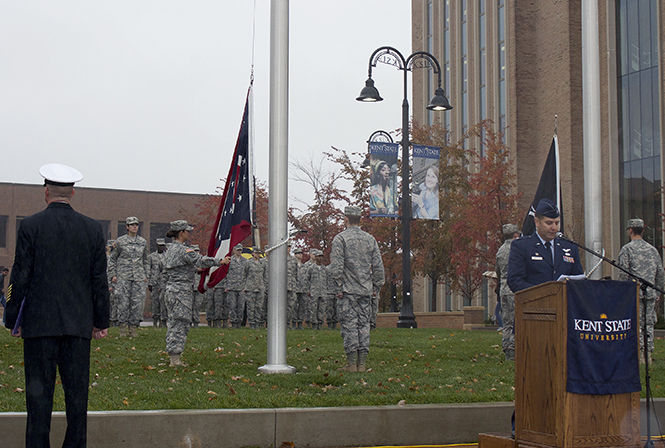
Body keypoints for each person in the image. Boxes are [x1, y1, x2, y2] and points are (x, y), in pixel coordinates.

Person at [4, 163, 109, 447]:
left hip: (39, 325)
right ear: (73, 193)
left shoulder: (30, 226)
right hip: (77, 325)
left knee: (38, 397)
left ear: (45, 192)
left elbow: (20, 275)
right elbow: (99, 278)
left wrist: (12, 318)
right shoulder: (92, 229)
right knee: (78, 397)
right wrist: (101, 321)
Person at [163, 220, 229, 366]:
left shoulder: (170, 249)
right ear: (181, 233)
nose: (189, 233)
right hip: (181, 291)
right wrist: (220, 261)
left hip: (171, 289)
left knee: (174, 322)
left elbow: (177, 269)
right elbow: (201, 260)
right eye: (188, 231)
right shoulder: (183, 250)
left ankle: (173, 355)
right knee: (181, 323)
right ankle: (175, 358)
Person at [330, 206, 385, 372]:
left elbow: (337, 267)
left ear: (346, 219)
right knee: (364, 326)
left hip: (347, 291)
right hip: (366, 291)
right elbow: (378, 267)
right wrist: (376, 286)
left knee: (349, 327)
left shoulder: (340, 239)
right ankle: (362, 364)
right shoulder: (370, 239)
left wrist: (338, 286)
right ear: (359, 220)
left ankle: (351, 364)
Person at [507, 198, 583, 293]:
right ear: (537, 222)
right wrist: (544, 293)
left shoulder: (569, 247)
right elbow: (515, 281)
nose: (554, 228)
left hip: (565, 305)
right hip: (534, 304)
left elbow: (578, 280)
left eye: (557, 223)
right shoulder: (522, 246)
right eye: (549, 223)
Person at [617, 218, 665, 364]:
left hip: (634, 293)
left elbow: (623, 273)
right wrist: (658, 291)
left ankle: (639, 355)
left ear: (630, 230)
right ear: (642, 230)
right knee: (649, 323)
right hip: (650, 293)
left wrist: (622, 293)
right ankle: (648, 354)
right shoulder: (652, 250)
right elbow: (660, 273)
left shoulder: (627, 249)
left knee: (636, 323)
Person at [108, 216, 149, 337]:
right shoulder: (120, 242)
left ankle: (133, 328)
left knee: (137, 303)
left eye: (136, 224)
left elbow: (146, 260)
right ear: (127, 227)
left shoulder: (142, 242)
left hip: (138, 277)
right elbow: (112, 259)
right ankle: (122, 329)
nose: (134, 226)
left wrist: (146, 275)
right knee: (123, 302)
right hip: (123, 277)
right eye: (131, 225)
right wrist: (113, 275)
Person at [495, 223, 520, 361]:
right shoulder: (517, 249)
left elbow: (497, 271)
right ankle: (512, 349)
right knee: (516, 321)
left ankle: (506, 347)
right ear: (515, 234)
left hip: (503, 289)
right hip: (514, 288)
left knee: (506, 321)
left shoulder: (500, 250)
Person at [225, 243, 248, 328]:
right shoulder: (230, 260)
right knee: (232, 306)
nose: (239, 252)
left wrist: (245, 286)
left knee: (241, 306)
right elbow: (225, 274)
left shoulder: (245, 261)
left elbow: (247, 274)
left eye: (240, 250)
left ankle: (239, 322)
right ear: (234, 250)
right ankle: (233, 323)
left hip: (241, 287)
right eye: (238, 250)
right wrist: (226, 286)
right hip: (231, 287)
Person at [244, 248, 266, 329]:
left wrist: (263, 286)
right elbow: (245, 274)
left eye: (259, 253)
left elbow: (264, 275)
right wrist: (245, 286)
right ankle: (251, 323)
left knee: (259, 306)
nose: (257, 254)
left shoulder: (262, 263)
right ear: (253, 253)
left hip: (260, 287)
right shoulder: (248, 262)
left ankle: (257, 322)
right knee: (251, 307)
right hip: (250, 287)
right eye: (256, 253)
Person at [148, 238, 167, 327]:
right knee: (155, 302)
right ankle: (155, 321)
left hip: (164, 282)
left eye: (163, 245)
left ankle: (163, 321)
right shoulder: (151, 257)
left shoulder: (167, 256)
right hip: (154, 283)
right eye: (160, 245)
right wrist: (149, 283)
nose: (161, 247)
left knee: (163, 302)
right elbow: (148, 270)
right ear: (157, 246)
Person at [287, 244, 299, 329]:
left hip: (292, 285)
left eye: (289, 247)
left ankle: (287, 323)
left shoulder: (294, 260)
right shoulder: (278, 258)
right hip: (281, 286)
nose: (288, 248)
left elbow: (295, 273)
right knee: (280, 306)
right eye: (286, 246)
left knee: (290, 305)